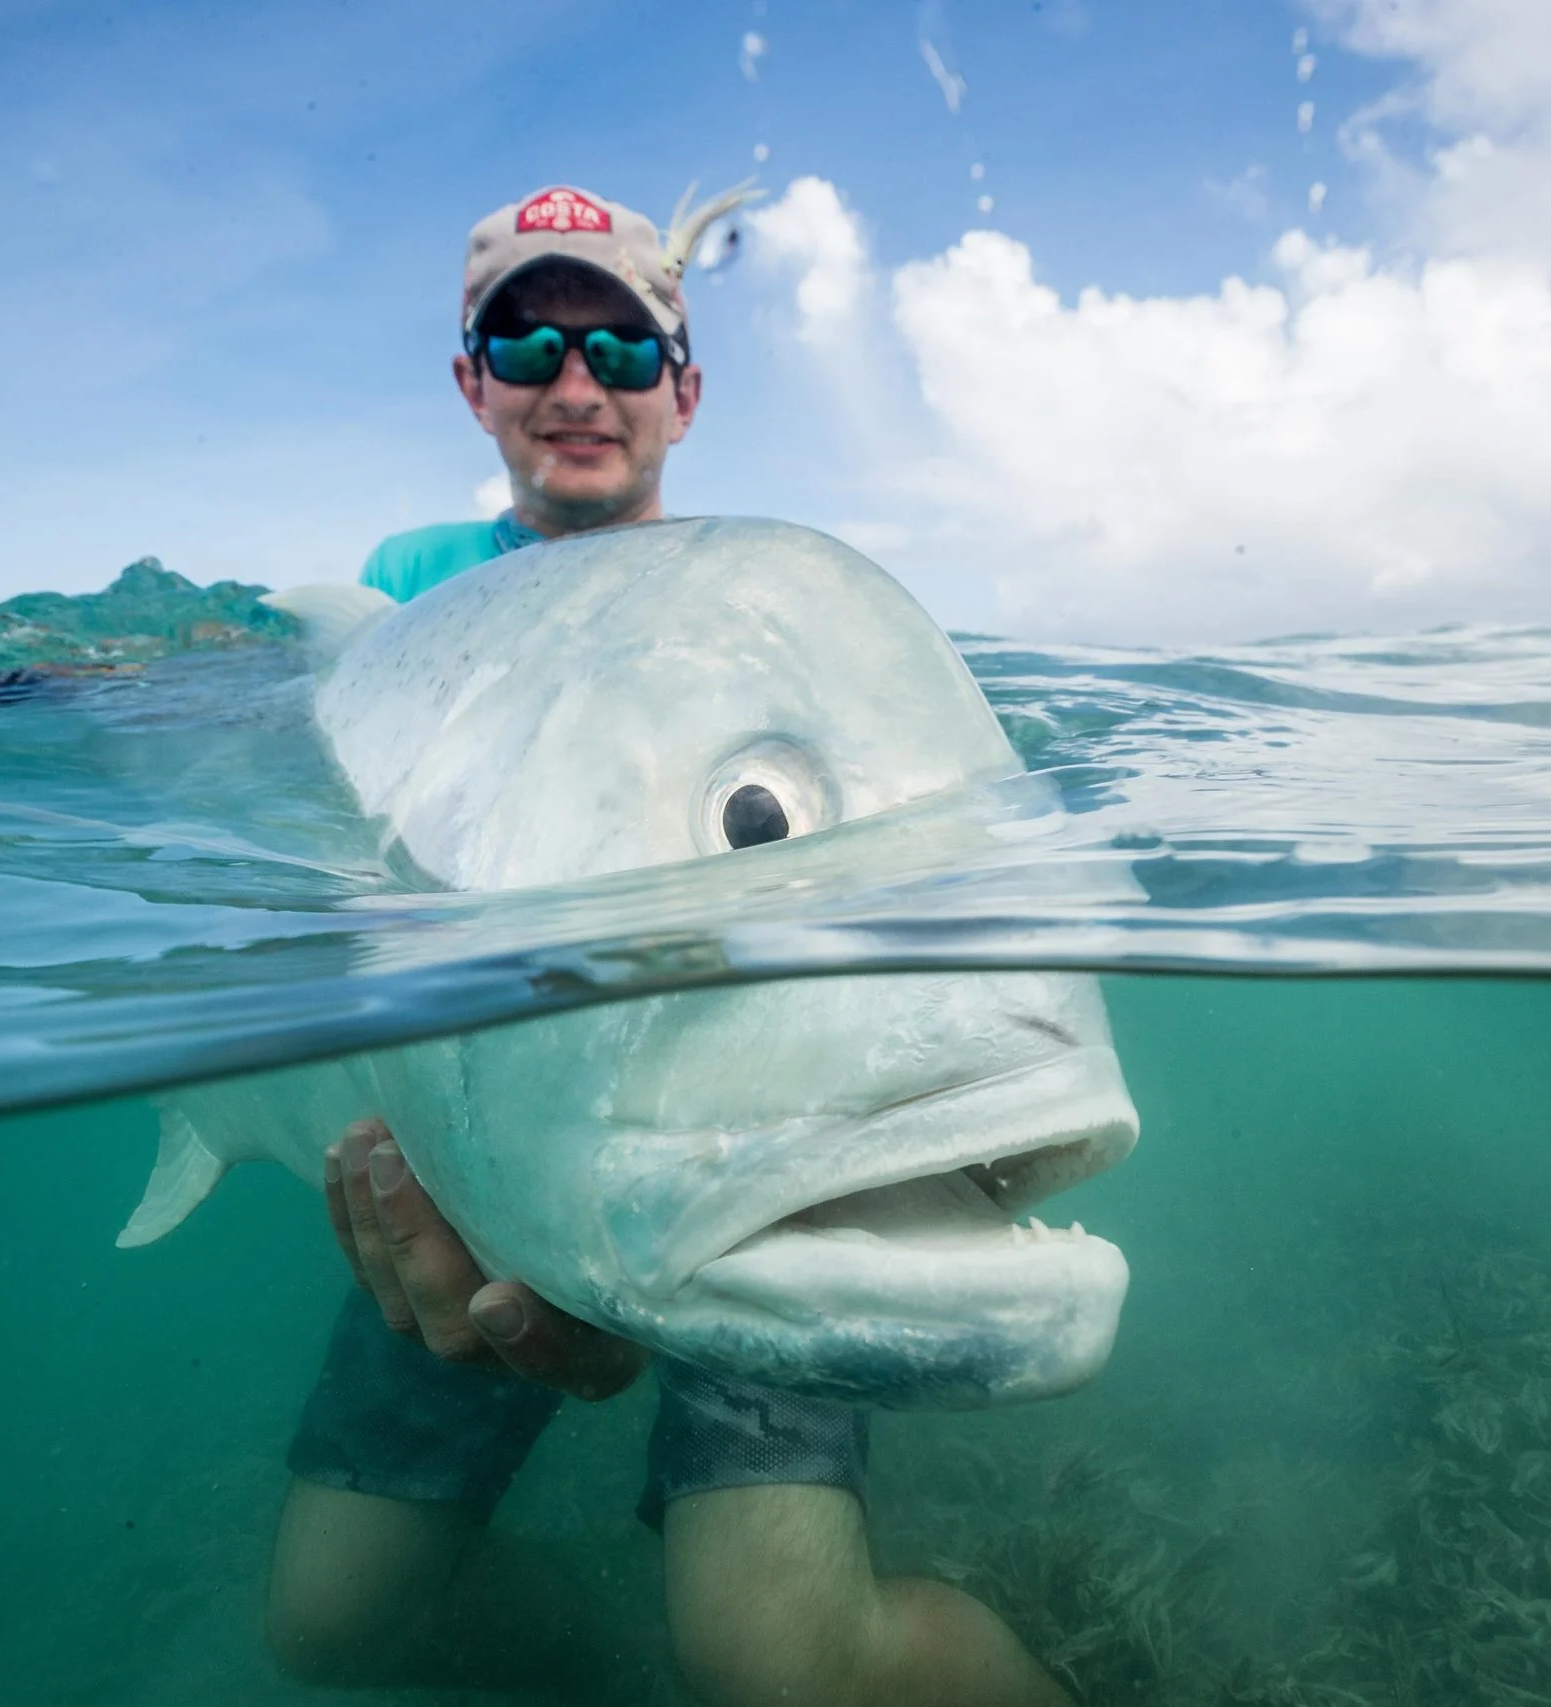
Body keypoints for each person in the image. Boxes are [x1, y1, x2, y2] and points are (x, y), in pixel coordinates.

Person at [261, 183, 1072, 1707]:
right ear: (471, 381)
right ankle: (598, 1670)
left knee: (784, 1666)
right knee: (329, 1624)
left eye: (625, 349)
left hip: (760, 1133)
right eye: (528, 338)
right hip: (453, 1154)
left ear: (684, 392)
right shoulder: (399, 603)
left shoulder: (772, 633)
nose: (577, 384)